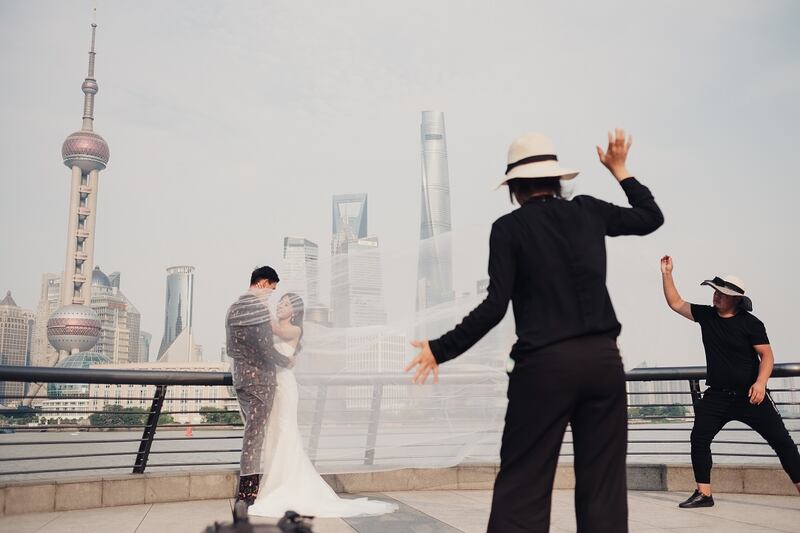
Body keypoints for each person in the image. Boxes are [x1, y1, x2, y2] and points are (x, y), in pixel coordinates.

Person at [406, 129, 664, 533]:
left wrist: (440, 348)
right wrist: (620, 169)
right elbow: (651, 218)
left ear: (514, 187)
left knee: (523, 484)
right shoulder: (589, 210)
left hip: (545, 367)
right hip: (603, 362)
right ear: (557, 179)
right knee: (604, 489)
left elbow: (495, 307)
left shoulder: (509, 229)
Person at [659, 256, 800, 507]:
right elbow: (676, 303)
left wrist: (760, 383)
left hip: (750, 395)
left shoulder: (751, 324)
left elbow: (767, 355)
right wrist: (667, 273)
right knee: (699, 438)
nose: (716, 297)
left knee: (782, 442)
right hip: (717, 395)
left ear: (735, 298)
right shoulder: (706, 315)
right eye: (714, 292)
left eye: (721, 294)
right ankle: (704, 494)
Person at [249, 293, 398, 518]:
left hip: (286, 387)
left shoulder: (294, 330)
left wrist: (260, 304)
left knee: (286, 431)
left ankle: (285, 485)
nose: (281, 305)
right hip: (272, 387)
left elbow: (276, 330)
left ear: (295, 312)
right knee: (274, 435)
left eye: (286, 304)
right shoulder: (275, 330)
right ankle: (274, 483)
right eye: (280, 301)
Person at [225, 266, 295, 518]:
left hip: (241, 379)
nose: (272, 295)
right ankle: (247, 493)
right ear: (264, 283)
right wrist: (287, 362)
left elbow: (231, 348)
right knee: (255, 435)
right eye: (272, 289)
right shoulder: (258, 308)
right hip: (261, 382)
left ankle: (251, 488)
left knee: (252, 431)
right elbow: (266, 348)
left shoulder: (233, 307)